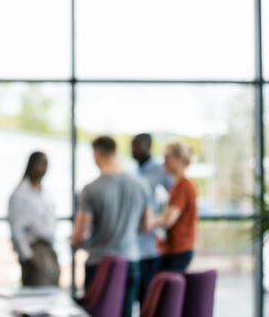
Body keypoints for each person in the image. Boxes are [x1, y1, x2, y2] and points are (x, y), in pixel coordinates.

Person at [71, 136, 153, 317]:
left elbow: (81, 233)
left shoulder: (91, 188)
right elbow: (147, 225)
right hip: (130, 260)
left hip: (99, 264)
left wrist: (74, 243)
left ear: (97, 154)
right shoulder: (141, 184)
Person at [131, 133, 173, 304]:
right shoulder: (132, 171)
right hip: (132, 245)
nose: (134, 150)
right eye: (132, 146)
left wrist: (159, 219)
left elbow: (174, 196)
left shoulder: (159, 170)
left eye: (138, 145)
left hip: (149, 244)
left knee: (147, 299)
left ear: (148, 146)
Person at [8, 152, 60, 286]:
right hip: (34, 250)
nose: (43, 168)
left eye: (46, 164)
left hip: (49, 249)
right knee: (36, 296)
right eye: (41, 163)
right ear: (31, 165)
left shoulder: (45, 192)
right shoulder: (20, 193)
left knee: (52, 295)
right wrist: (28, 256)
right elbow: (16, 228)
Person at [154, 141, 197, 271]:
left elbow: (168, 220)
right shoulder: (179, 185)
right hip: (175, 249)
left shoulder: (184, 186)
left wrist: (150, 220)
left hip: (178, 250)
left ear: (179, 159)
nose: (164, 161)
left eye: (167, 157)